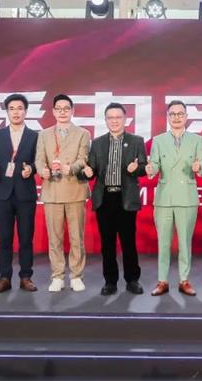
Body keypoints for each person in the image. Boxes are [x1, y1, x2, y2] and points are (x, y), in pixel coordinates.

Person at [81, 102, 147, 296]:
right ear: (106, 120)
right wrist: (86, 172)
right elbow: (91, 170)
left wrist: (137, 169)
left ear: (125, 119)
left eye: (118, 117)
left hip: (126, 198)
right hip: (105, 198)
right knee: (107, 243)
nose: (115, 121)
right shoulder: (98, 143)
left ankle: (132, 279)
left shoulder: (136, 141)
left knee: (128, 242)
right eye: (110, 118)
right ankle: (110, 281)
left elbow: (144, 167)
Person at [146, 100, 202, 297]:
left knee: (185, 243)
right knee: (163, 242)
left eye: (180, 114)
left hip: (187, 197)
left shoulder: (196, 139)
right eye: (173, 114)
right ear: (168, 117)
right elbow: (155, 165)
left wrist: (200, 167)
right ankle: (162, 281)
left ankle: (184, 280)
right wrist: (151, 169)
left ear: (186, 116)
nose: (177, 117)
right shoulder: (158, 140)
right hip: (164, 197)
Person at [0, 93, 39, 293]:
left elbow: (39, 161)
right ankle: (4, 277)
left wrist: (31, 168)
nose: (16, 112)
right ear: (7, 112)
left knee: (26, 238)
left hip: (26, 194)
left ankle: (26, 277)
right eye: (12, 109)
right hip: (2, 194)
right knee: (4, 238)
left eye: (19, 108)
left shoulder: (35, 136)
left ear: (26, 111)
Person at [35, 94, 91, 293]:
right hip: (52, 190)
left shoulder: (83, 133)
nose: (62, 112)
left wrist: (72, 168)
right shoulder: (44, 134)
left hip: (75, 190)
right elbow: (39, 159)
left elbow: (84, 158)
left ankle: (76, 275)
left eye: (66, 108)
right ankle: (57, 276)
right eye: (58, 109)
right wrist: (43, 171)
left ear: (72, 111)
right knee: (55, 238)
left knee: (77, 237)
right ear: (53, 112)